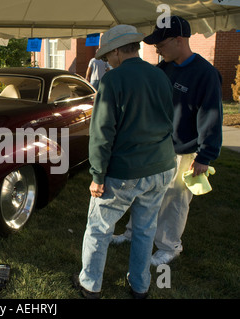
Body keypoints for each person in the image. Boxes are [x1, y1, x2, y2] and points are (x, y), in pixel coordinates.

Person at [73, 24, 176, 299]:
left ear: (118, 51)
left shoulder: (112, 80)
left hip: (126, 171)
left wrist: (97, 176)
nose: (107, 61)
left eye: (108, 56)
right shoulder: (160, 76)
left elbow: (101, 133)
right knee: (145, 230)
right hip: (163, 166)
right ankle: (140, 287)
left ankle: (90, 285)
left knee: (99, 228)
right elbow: (169, 120)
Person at [111, 16, 223, 267]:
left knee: (174, 199)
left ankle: (169, 246)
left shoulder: (206, 74)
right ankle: (132, 233)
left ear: (178, 40)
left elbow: (211, 115)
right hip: (155, 146)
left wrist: (205, 156)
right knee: (144, 193)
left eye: (161, 44)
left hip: (184, 150)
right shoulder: (163, 68)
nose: (156, 49)